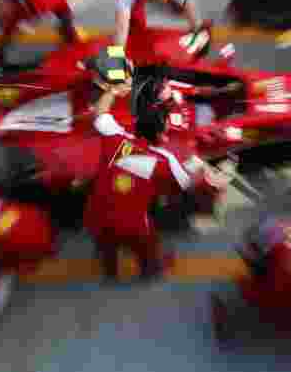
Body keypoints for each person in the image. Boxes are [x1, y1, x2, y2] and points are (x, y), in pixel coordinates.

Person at [82, 51, 229, 279]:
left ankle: (110, 270)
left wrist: (112, 90)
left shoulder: (115, 137)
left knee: (106, 246)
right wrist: (211, 175)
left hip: (96, 214)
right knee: (148, 252)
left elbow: (100, 115)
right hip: (133, 226)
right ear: (161, 132)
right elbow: (191, 184)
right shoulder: (166, 162)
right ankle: (152, 269)